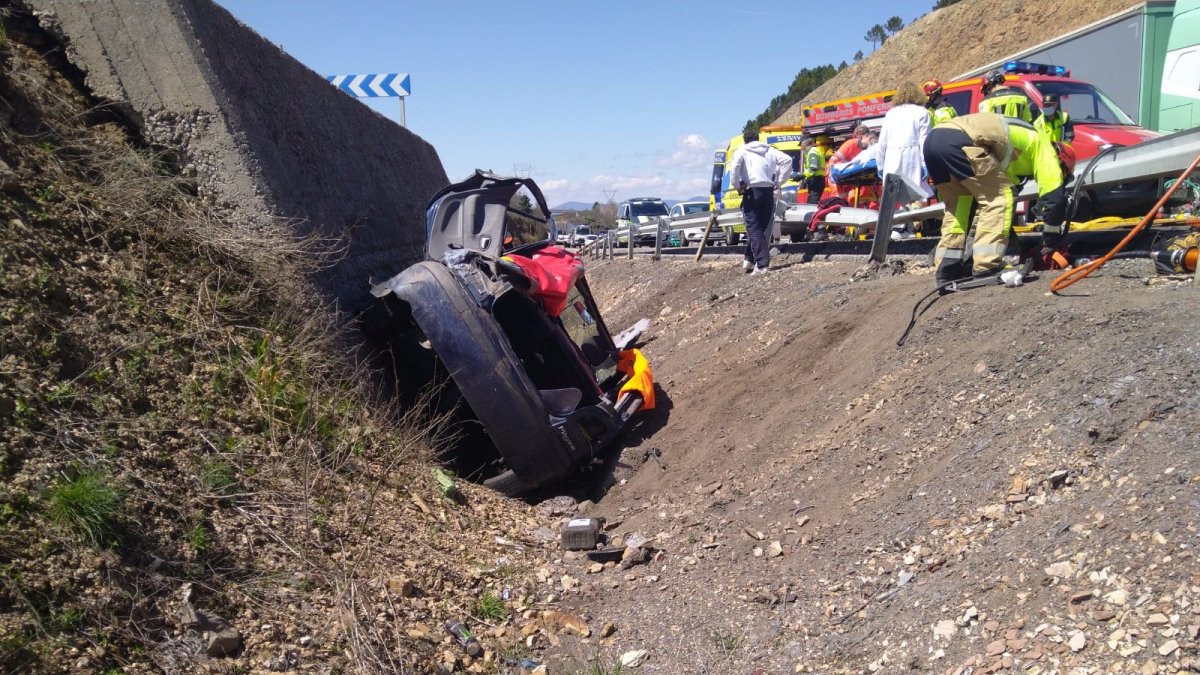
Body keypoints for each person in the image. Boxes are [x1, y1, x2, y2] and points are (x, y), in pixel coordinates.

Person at [922, 112, 1077, 286]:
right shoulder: (1045, 147)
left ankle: (947, 267)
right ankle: (987, 265)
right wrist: (1051, 238)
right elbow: (1054, 197)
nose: (1061, 177)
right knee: (1001, 197)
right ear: (1062, 160)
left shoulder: (1019, 150)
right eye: (1064, 174)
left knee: (958, 207)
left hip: (933, 142)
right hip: (960, 141)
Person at [728, 129, 792, 274]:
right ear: (758, 138)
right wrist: (779, 181)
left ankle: (762, 265)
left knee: (754, 229)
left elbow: (734, 168)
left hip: (751, 191)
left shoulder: (742, 150)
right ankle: (749, 260)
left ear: (745, 140)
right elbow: (788, 160)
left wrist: (737, 186)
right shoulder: (770, 150)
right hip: (768, 191)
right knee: (760, 228)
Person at [878, 81, 934, 239]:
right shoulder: (921, 112)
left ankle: (898, 227)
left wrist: (880, 165)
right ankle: (907, 227)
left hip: (892, 156)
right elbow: (925, 140)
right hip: (913, 156)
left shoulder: (891, 113)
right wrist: (925, 164)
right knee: (913, 194)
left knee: (895, 194)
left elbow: (882, 142)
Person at [800, 136, 826, 205]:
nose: (801, 148)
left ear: (804, 144)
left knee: (811, 205)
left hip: (816, 181)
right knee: (813, 203)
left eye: (801, 145)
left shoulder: (812, 152)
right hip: (818, 180)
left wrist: (802, 176)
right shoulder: (815, 150)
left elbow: (813, 167)